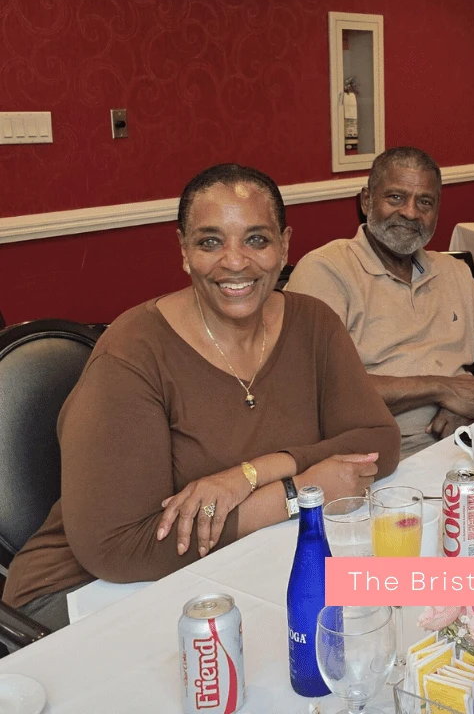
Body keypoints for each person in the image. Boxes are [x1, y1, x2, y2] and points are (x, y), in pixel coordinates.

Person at [2, 164, 401, 630]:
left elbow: (379, 442)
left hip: (230, 561)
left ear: (285, 245)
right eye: (210, 241)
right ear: (184, 252)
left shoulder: (313, 323)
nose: (235, 262)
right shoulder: (134, 354)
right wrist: (295, 495)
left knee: (397, 615)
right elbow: (117, 548)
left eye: (256, 239)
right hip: (83, 596)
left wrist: (253, 473)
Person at [287, 147, 474, 456]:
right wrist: (443, 387)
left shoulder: (453, 271)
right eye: (396, 197)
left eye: (424, 202)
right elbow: (322, 388)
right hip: (387, 459)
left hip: (473, 438)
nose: (411, 212)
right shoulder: (327, 269)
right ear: (366, 200)